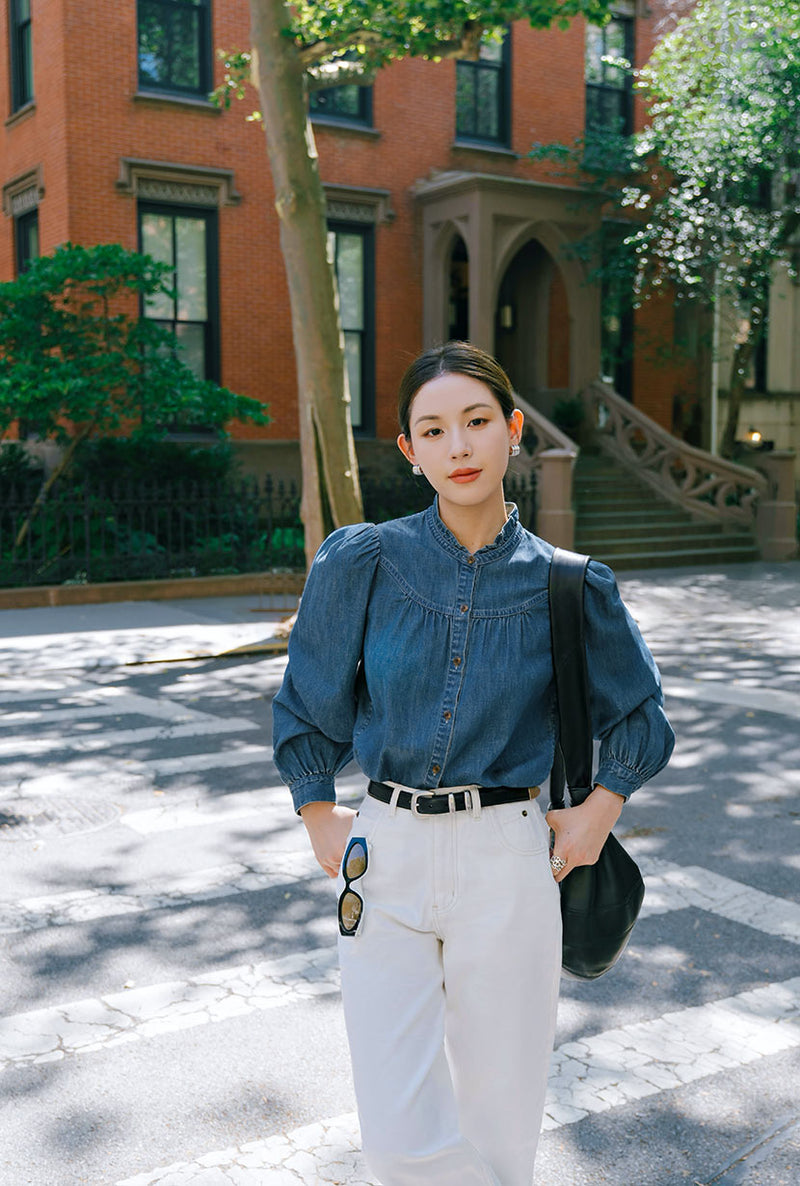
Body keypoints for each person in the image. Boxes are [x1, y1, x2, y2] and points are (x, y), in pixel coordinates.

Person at [272, 341, 674, 1186]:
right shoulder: (364, 562)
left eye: (477, 422)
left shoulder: (571, 583)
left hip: (511, 856)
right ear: (409, 452)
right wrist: (318, 812)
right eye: (434, 429)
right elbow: (310, 705)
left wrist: (600, 810)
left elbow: (641, 716)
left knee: (501, 1123)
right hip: (385, 855)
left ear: (514, 432)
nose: (458, 446)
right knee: (395, 1135)